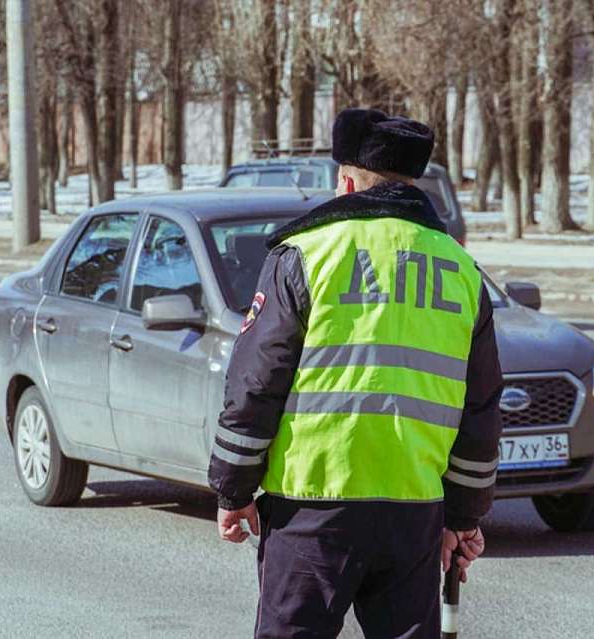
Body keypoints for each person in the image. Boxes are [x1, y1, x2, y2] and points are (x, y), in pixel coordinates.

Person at [207, 107, 503, 638]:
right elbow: (480, 409)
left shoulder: (306, 253)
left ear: (345, 180)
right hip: (413, 511)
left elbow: (256, 382)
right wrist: (462, 518)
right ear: (411, 181)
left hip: (311, 507)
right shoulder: (462, 271)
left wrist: (234, 491)